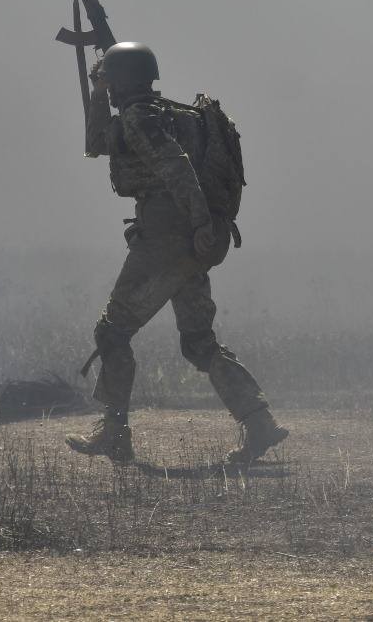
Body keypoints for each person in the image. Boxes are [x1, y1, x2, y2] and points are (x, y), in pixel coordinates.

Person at [65, 41, 288, 464]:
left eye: (110, 80)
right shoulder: (172, 115)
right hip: (188, 242)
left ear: (121, 80)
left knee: (112, 332)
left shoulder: (140, 118)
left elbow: (176, 167)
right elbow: (97, 141)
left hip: (166, 240)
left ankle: (115, 432)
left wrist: (200, 222)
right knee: (199, 342)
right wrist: (97, 92)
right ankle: (259, 422)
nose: (108, 87)